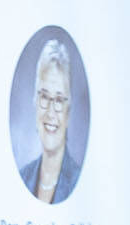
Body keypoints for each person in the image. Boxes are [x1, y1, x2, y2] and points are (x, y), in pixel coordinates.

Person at [19, 39, 81, 204]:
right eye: (45, 97)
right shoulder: (23, 177)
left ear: (68, 112)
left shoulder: (78, 182)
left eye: (59, 100)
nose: (51, 112)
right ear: (35, 102)